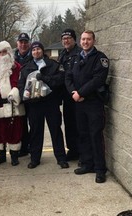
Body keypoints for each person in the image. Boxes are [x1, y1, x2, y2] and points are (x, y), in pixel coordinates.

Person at [65, 30, 109, 183]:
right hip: (79, 103)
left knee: (95, 135)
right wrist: (73, 93)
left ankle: (99, 169)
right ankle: (87, 164)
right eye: (83, 39)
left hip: (93, 103)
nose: (85, 42)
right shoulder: (76, 58)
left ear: (93, 41)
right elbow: (68, 77)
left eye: (88, 39)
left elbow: (98, 80)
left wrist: (81, 93)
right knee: (82, 134)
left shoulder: (100, 58)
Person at [18, 41, 69, 169]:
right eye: (34, 50)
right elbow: (21, 85)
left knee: (56, 130)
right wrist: (25, 97)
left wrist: (45, 78)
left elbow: (60, 81)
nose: (36, 52)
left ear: (43, 51)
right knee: (35, 131)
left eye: (38, 49)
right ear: (31, 52)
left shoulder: (53, 65)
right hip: (34, 104)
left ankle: (61, 158)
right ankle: (35, 159)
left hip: (50, 102)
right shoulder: (26, 68)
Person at [0, 41, 25, 166]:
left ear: (9, 53)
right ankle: (1, 156)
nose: (3, 55)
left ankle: (14, 157)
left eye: (5, 52)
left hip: (13, 105)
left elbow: (21, 84)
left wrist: (15, 92)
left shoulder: (17, 67)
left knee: (14, 130)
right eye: (0, 52)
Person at [58, 29, 82, 161]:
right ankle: (73, 150)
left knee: (80, 125)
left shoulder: (79, 54)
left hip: (77, 94)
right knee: (69, 124)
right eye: (64, 39)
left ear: (74, 39)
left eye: (68, 38)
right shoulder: (62, 54)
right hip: (66, 96)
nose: (66, 41)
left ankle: (82, 153)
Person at [14, 32, 32, 157]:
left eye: (26, 42)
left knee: (34, 123)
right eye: (21, 42)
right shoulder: (12, 58)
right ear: (17, 44)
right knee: (21, 123)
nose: (23, 44)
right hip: (17, 96)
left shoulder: (34, 56)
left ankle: (33, 146)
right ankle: (24, 147)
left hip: (32, 96)